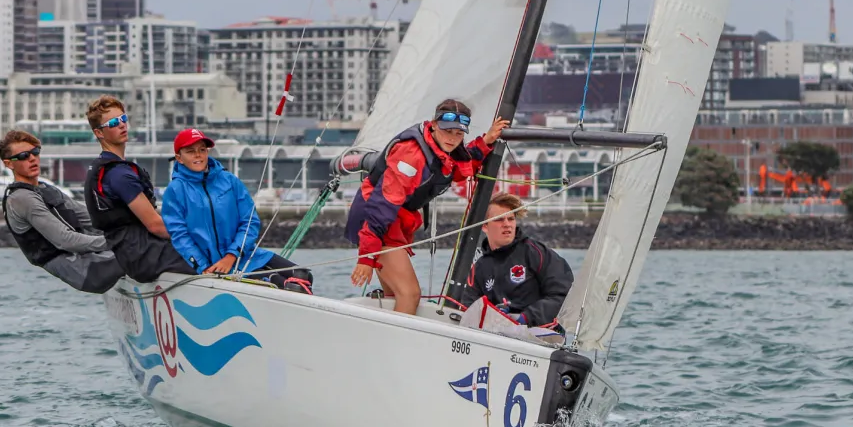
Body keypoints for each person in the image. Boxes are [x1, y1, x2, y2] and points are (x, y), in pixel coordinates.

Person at [346, 99, 509, 315]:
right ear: (433, 125)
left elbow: (461, 165)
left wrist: (486, 141)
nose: (452, 138)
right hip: (375, 223)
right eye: (447, 131)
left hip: (392, 222)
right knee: (410, 294)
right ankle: (399, 347)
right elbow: (382, 206)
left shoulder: (443, 149)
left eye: (458, 134)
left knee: (394, 295)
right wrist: (366, 257)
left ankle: (386, 342)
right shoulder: (411, 154)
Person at [161, 128, 314, 293]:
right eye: (190, 151)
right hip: (213, 265)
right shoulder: (175, 190)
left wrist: (232, 255)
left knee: (303, 275)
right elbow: (180, 236)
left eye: (202, 150)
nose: (198, 155)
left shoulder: (229, 180)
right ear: (179, 158)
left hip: (244, 256)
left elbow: (250, 221)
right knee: (284, 285)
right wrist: (203, 267)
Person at [83, 95, 197, 283]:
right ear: (99, 133)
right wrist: (200, 234)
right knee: (210, 255)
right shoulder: (119, 174)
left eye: (123, 119)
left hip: (132, 255)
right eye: (113, 122)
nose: (122, 125)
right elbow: (156, 225)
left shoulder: (105, 168)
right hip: (144, 255)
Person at [0, 130, 125, 294]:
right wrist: (120, 240)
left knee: (149, 242)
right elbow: (66, 241)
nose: (32, 158)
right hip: (86, 272)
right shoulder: (21, 199)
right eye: (23, 156)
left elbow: (91, 217)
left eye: (35, 152)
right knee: (143, 250)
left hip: (94, 257)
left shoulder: (46, 189)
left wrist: (135, 225)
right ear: (9, 164)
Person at [459, 192, 574, 327]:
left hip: (539, 335)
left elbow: (565, 294)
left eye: (511, 219)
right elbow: (468, 309)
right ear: (485, 226)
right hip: (497, 336)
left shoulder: (535, 253)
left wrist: (526, 317)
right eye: (499, 219)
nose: (507, 224)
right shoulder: (479, 269)